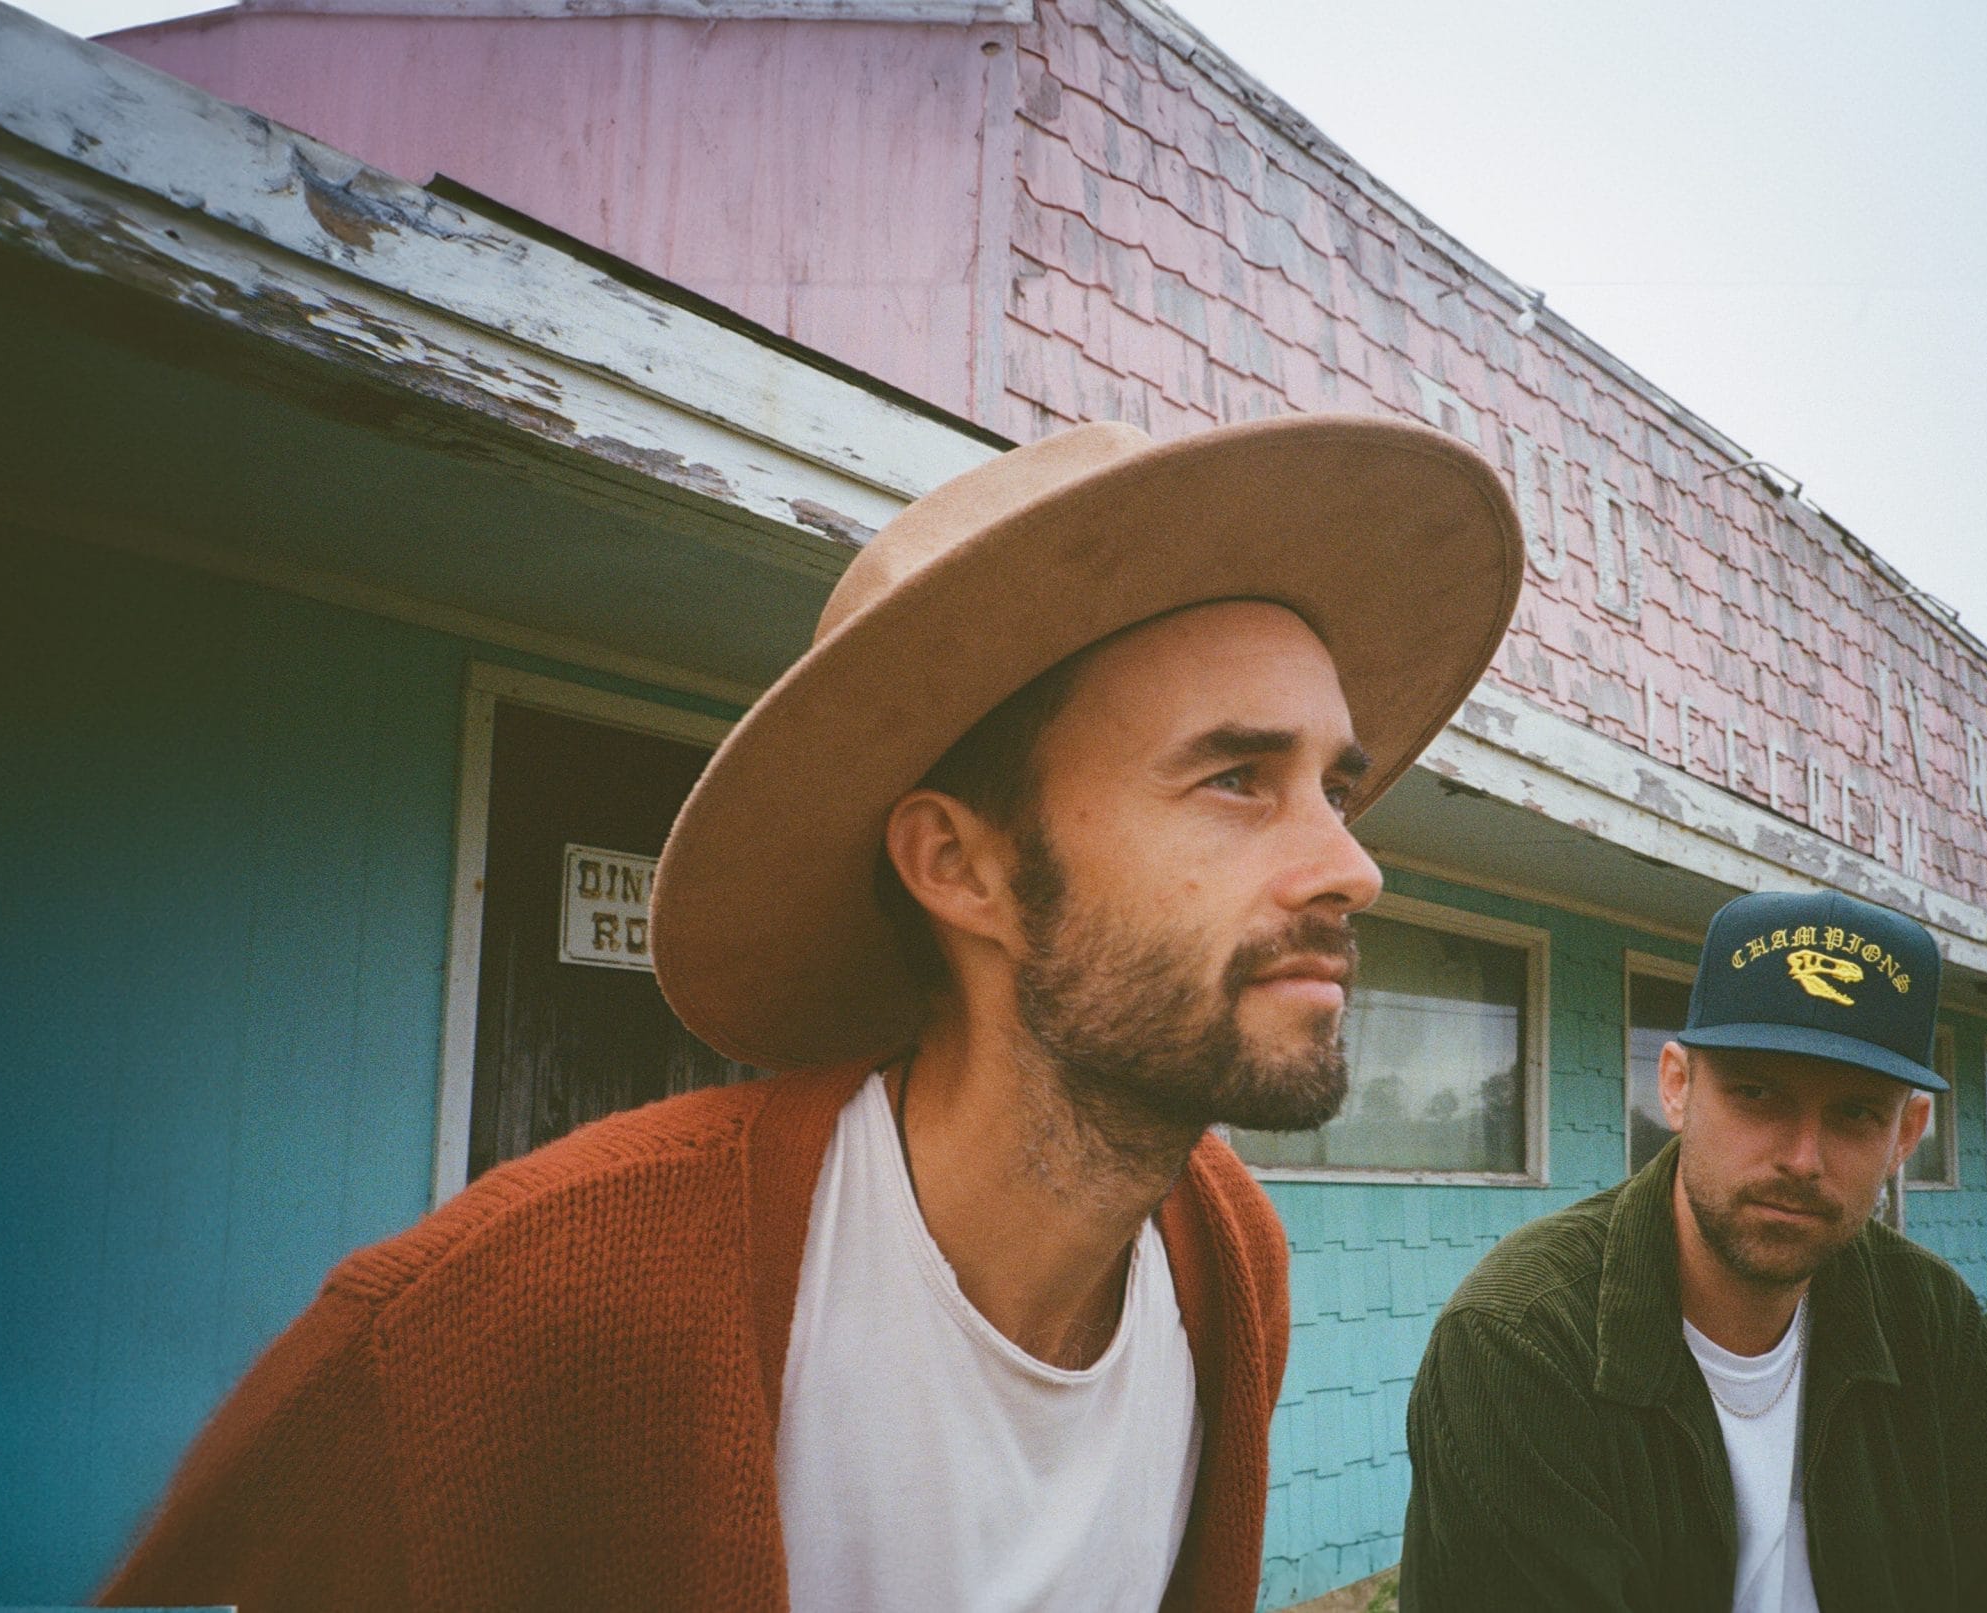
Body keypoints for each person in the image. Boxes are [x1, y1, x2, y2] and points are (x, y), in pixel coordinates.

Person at [101, 415, 1522, 1612]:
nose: (1353, 863)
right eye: (1234, 778)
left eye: (1336, 785)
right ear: (960, 866)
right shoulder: (501, 1318)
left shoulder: (1228, 1263)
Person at [1397, 889, 1987, 1612]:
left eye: (1855, 1111)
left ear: (1906, 1133)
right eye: (1757, 1092)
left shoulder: (1929, 1318)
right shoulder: (1522, 1340)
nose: (1802, 1158)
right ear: (1677, 1086)